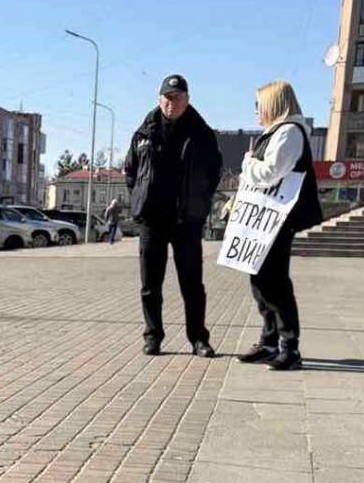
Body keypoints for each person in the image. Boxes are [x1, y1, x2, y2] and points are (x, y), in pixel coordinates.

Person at [125, 74, 223, 357]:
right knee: (150, 285)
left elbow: (214, 172)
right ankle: (152, 336)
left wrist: (200, 199)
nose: (172, 103)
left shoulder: (202, 133)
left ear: (187, 99)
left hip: (187, 220)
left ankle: (198, 339)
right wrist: (139, 200)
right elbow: (130, 172)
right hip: (152, 219)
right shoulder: (144, 133)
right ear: (159, 99)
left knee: (192, 284)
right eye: (167, 98)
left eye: (177, 98)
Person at [236, 80, 322, 371]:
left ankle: (289, 347)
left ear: (273, 104)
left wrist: (248, 163)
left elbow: (270, 173)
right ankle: (269, 341)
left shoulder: (288, 133)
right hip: (266, 219)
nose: (257, 111)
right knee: (260, 281)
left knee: (275, 283)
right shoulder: (276, 133)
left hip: (278, 219)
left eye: (259, 105)